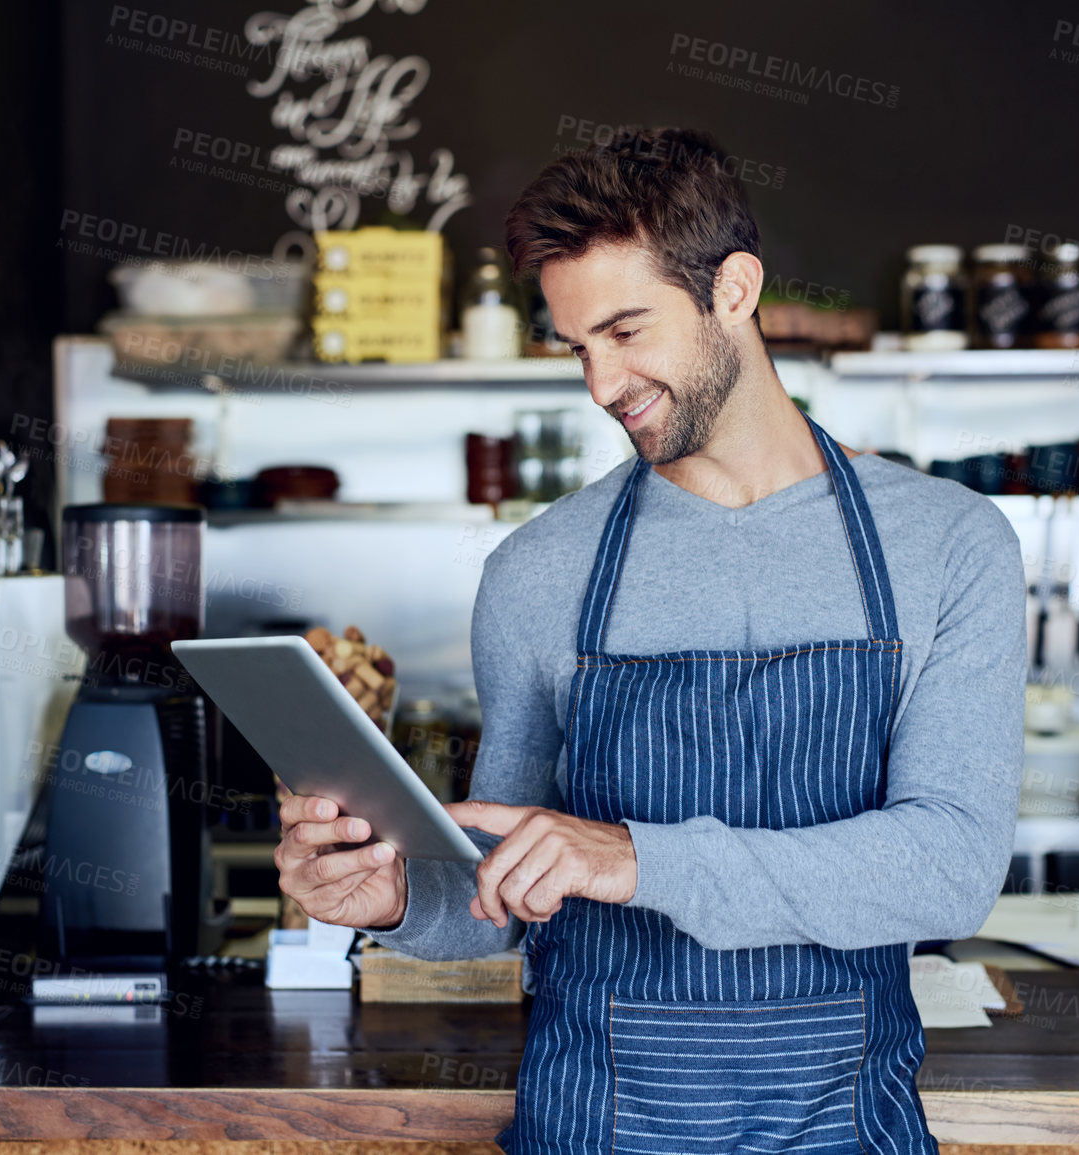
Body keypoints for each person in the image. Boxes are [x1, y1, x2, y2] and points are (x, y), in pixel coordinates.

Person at [275, 125, 1026, 1154]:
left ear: (734, 290)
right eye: (578, 346)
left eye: (627, 331)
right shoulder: (538, 573)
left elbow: (947, 868)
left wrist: (638, 860)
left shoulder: (946, 545)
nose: (601, 384)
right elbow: (508, 890)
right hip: (595, 1128)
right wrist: (399, 897)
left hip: (843, 1128)